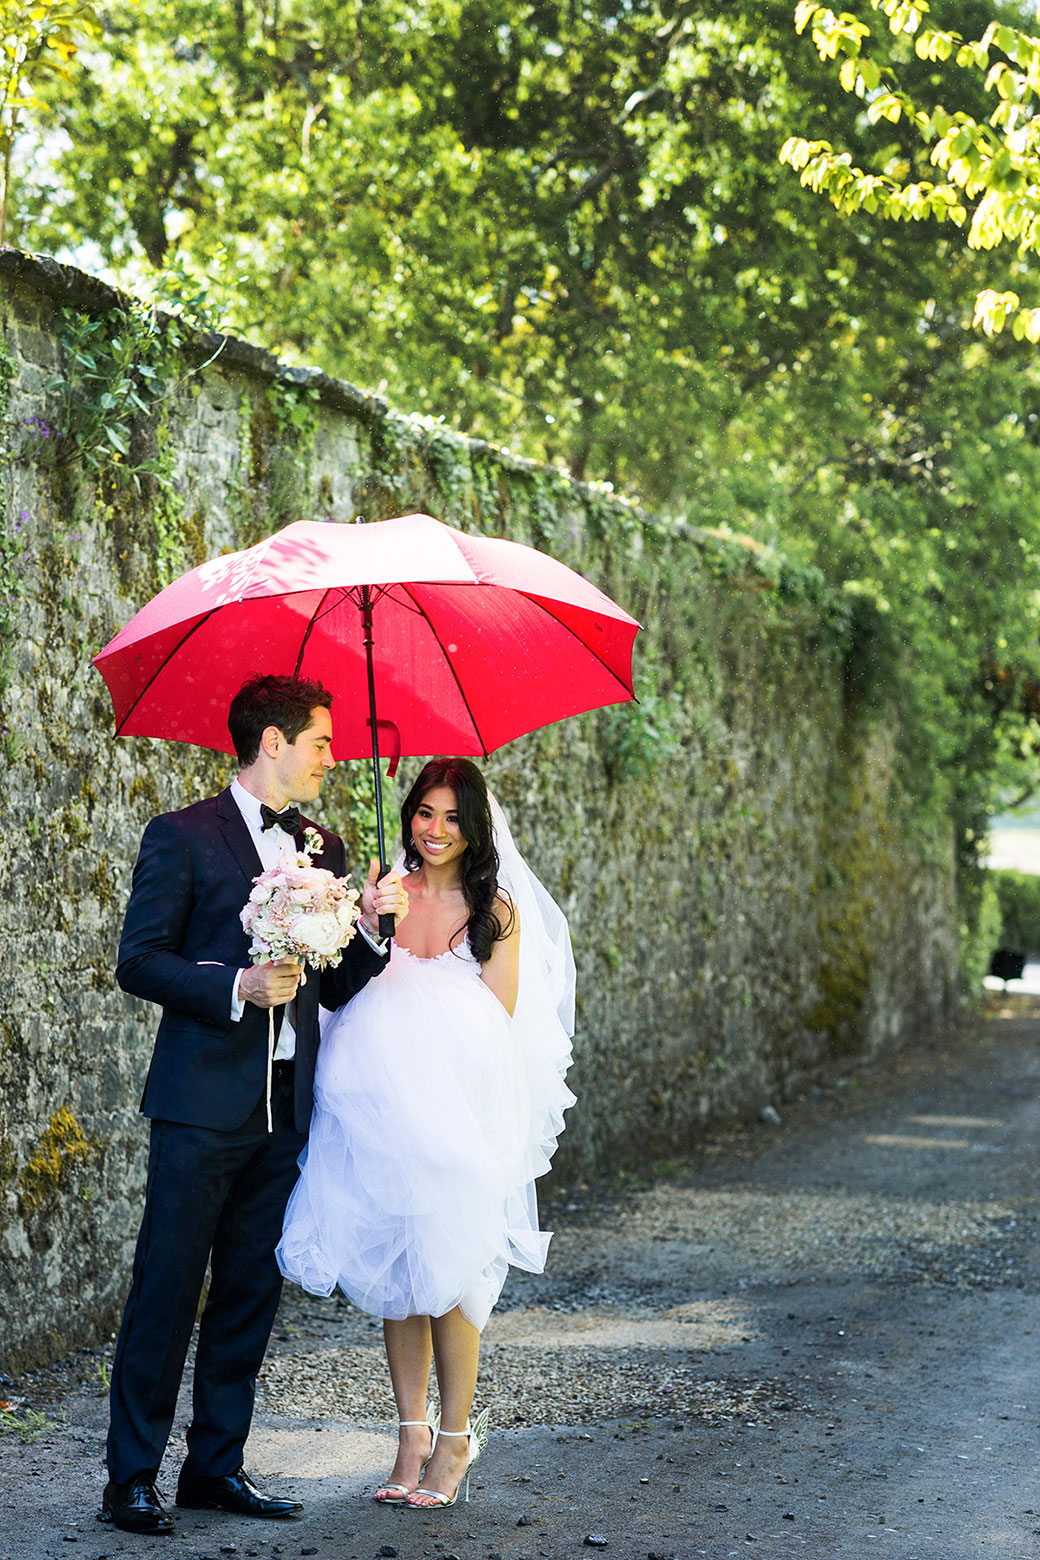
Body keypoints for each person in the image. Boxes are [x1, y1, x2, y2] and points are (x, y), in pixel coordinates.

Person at [101, 674, 409, 1536]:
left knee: (248, 1290)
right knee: (166, 1288)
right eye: (320, 741)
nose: (330, 756)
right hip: (200, 1105)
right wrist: (233, 982)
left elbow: (343, 981)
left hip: (285, 1107)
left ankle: (215, 1468)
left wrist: (374, 923)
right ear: (271, 743)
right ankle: (130, 1477)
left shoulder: (326, 845)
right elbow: (140, 961)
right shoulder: (182, 837)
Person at [277, 757, 575, 1509]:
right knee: (397, 1282)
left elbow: (497, 1023)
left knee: (451, 1277)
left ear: (473, 828)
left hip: (455, 1117)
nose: (434, 830)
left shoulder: (494, 910)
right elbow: (341, 988)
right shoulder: (384, 895)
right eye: (423, 814)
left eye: (450, 817)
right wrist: (368, 918)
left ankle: (455, 1439)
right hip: (376, 1112)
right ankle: (409, 1434)